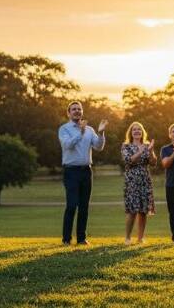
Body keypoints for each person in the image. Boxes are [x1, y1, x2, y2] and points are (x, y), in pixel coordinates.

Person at [58, 100, 107, 246]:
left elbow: (99, 147)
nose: (77, 111)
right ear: (68, 113)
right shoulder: (64, 129)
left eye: (79, 109)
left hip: (86, 171)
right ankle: (66, 239)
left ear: (82, 112)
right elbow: (67, 145)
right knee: (72, 205)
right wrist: (80, 132)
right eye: (74, 109)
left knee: (84, 206)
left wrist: (101, 132)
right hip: (71, 171)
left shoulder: (90, 130)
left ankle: (81, 239)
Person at [121, 121, 156, 244]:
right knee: (132, 210)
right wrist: (140, 151)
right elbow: (128, 161)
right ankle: (127, 237)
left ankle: (140, 238)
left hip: (145, 180)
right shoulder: (126, 146)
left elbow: (153, 163)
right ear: (131, 133)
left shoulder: (147, 145)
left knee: (143, 210)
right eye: (134, 129)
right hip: (132, 181)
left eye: (139, 129)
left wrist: (151, 151)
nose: (137, 131)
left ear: (142, 132)